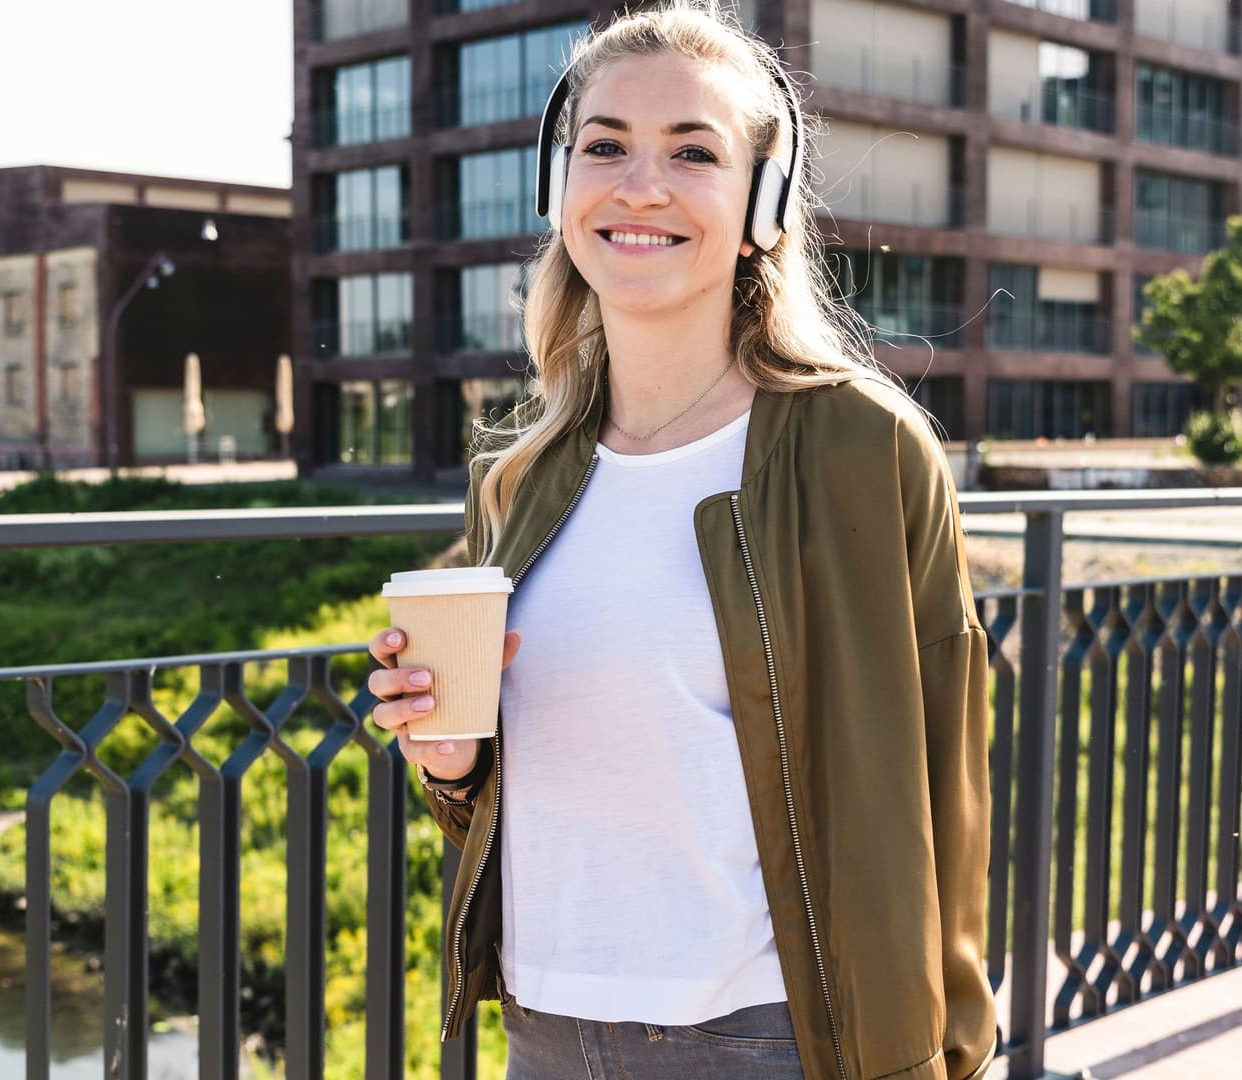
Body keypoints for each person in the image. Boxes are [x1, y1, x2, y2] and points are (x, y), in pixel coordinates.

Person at [365, 2, 995, 1076]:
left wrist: (948, 1054)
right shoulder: (516, 476)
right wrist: (452, 766)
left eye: (691, 152)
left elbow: (946, 791)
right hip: (543, 1031)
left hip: (764, 1038)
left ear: (767, 204)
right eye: (603, 145)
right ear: (559, 189)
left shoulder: (860, 447)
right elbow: (515, 809)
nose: (638, 183)